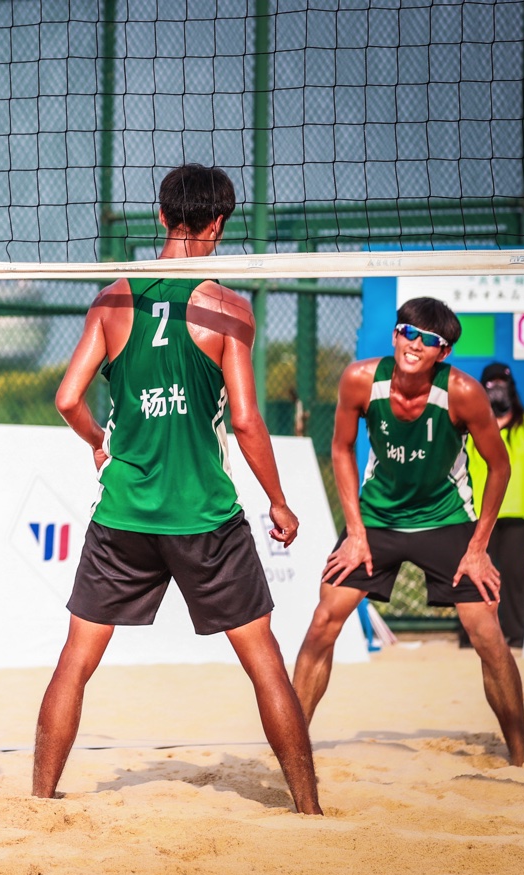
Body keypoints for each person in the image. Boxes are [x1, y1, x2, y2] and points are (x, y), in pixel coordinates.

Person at [32, 163, 322, 815]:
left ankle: (40, 799)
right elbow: (245, 421)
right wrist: (278, 500)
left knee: (75, 661)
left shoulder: (113, 298)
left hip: (124, 513)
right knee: (265, 663)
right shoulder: (229, 307)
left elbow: (68, 398)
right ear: (219, 223)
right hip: (205, 516)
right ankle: (308, 808)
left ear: (161, 217)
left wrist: (99, 441)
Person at [291, 299, 524, 765]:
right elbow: (341, 449)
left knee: (486, 634)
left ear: (444, 352)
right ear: (395, 335)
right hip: (378, 519)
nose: (415, 344)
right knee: (323, 622)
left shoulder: (462, 392)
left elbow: (499, 467)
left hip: (446, 518)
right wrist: (355, 532)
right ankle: (293, 746)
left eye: (429, 340)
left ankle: (519, 756)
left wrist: (478, 548)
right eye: (408, 332)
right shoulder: (360, 379)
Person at [461, 362, 524, 648]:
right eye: (491, 383)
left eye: (502, 382)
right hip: (478, 512)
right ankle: (472, 633)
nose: (497, 388)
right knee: (473, 574)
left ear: (511, 387)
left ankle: (516, 633)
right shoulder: (471, 422)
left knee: (514, 576)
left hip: (516, 513)